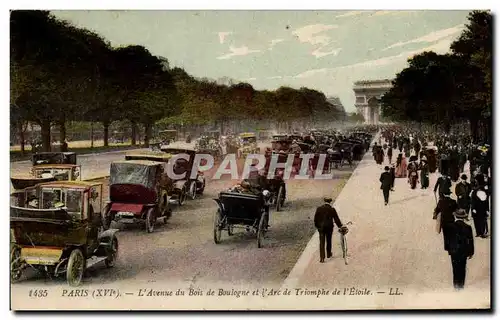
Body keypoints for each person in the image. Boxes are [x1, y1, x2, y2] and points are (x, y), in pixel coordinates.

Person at [446, 209, 474, 290]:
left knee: (455, 269)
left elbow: (447, 240)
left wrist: (448, 249)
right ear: (464, 217)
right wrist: (471, 252)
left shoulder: (450, 227)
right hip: (463, 251)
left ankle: (456, 286)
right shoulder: (468, 227)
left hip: (454, 251)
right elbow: (471, 241)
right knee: (462, 268)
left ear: (455, 216)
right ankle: (461, 286)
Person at [314, 197, 344, 263]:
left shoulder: (319, 209)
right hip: (329, 228)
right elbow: (336, 219)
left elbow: (315, 219)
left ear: (324, 201)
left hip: (321, 228)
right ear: (330, 202)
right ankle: (328, 253)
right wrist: (340, 226)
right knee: (329, 240)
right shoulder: (332, 209)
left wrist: (318, 227)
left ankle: (322, 258)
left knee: (321, 242)